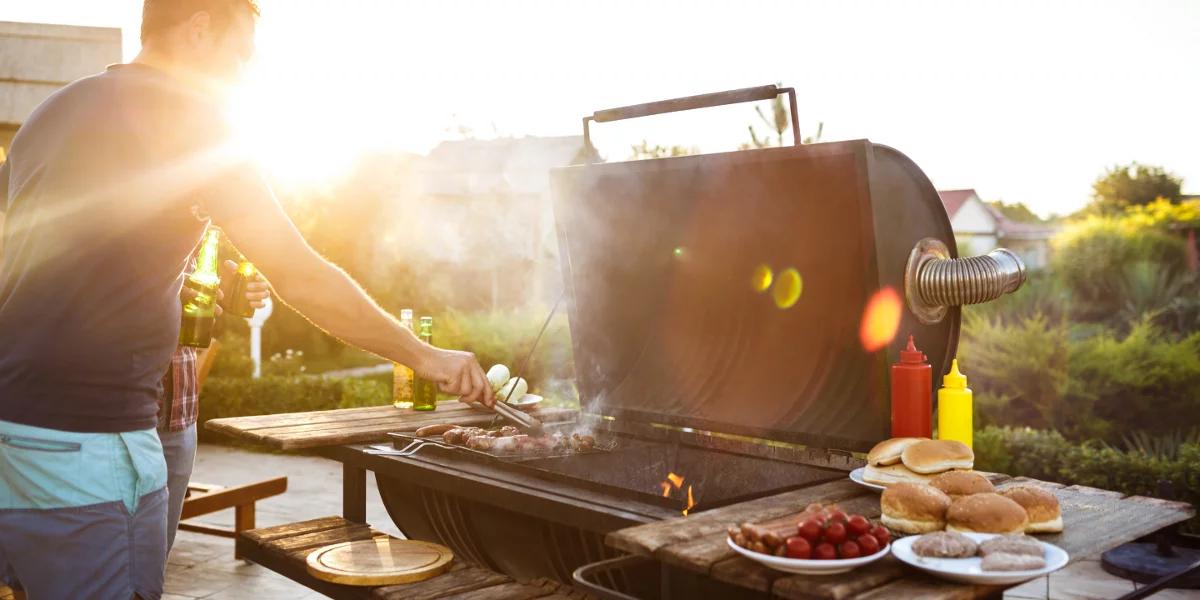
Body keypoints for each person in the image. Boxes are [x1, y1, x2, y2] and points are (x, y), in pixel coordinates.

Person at [0, 1, 494, 598]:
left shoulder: (54, 111)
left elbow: (53, 264)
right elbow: (300, 274)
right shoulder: (193, 122)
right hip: (92, 446)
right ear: (201, 27)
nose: (243, 71)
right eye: (240, 53)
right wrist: (426, 356)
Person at [158, 259, 270, 553]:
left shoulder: (198, 228)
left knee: (153, 565)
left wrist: (227, 288)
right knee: (98, 564)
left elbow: (198, 289)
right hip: (118, 416)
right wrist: (163, 290)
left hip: (179, 416)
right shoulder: (115, 219)